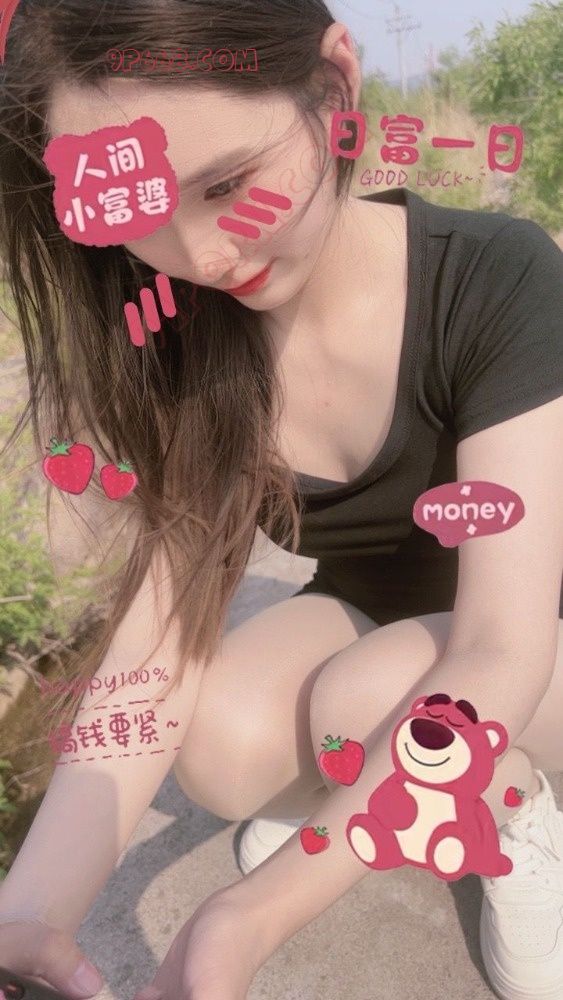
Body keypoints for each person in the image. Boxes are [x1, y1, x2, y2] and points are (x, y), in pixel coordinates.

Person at [0, 1, 562, 999]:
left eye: (227, 184)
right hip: (384, 618)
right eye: (137, 213)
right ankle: (397, 783)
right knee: (218, 741)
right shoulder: (185, 339)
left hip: (531, 635)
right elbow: (155, 645)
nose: (201, 256)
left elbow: (497, 647)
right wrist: (30, 913)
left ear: (334, 84)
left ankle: (512, 805)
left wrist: (250, 912)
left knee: (361, 697)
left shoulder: (494, 276)